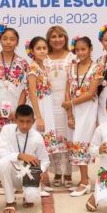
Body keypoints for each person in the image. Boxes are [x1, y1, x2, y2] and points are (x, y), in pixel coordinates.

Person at [0, 25, 29, 149]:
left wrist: (18, 111)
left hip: (14, 114)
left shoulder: (23, 63)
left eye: (12, 39)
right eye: (5, 38)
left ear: (17, 42)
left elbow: (25, 90)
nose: (8, 42)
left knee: (14, 147)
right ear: (0, 40)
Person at [0, 104, 50, 213]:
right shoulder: (6, 130)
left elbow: (45, 160)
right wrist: (20, 155)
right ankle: (10, 201)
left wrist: (41, 170)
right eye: (21, 121)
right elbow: (1, 153)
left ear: (33, 121)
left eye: (28, 121)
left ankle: (28, 195)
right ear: (15, 120)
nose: (25, 125)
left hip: (29, 174)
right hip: (12, 172)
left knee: (31, 197)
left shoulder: (37, 137)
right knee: (1, 163)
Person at [66, 36, 101, 197]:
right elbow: (67, 90)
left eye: (84, 49)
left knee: (82, 142)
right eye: (77, 49)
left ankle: (85, 181)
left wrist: (71, 103)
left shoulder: (97, 68)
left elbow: (91, 92)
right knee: (75, 142)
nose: (80, 52)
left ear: (90, 49)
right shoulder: (72, 67)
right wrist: (69, 113)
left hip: (88, 109)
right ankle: (83, 180)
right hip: (74, 109)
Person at [25, 37, 61, 192]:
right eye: (38, 48)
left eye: (44, 48)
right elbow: (32, 93)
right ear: (32, 51)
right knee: (34, 146)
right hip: (38, 108)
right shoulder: (33, 68)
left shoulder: (43, 66)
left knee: (42, 147)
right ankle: (33, 182)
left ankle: (40, 181)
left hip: (46, 106)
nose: (42, 51)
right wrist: (38, 116)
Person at [44, 25, 75, 189]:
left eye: (60, 36)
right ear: (49, 39)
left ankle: (68, 173)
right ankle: (56, 172)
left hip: (67, 103)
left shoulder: (72, 57)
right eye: (54, 36)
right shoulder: (44, 58)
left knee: (67, 136)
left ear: (66, 38)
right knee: (54, 137)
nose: (57, 39)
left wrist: (70, 107)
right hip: (49, 104)